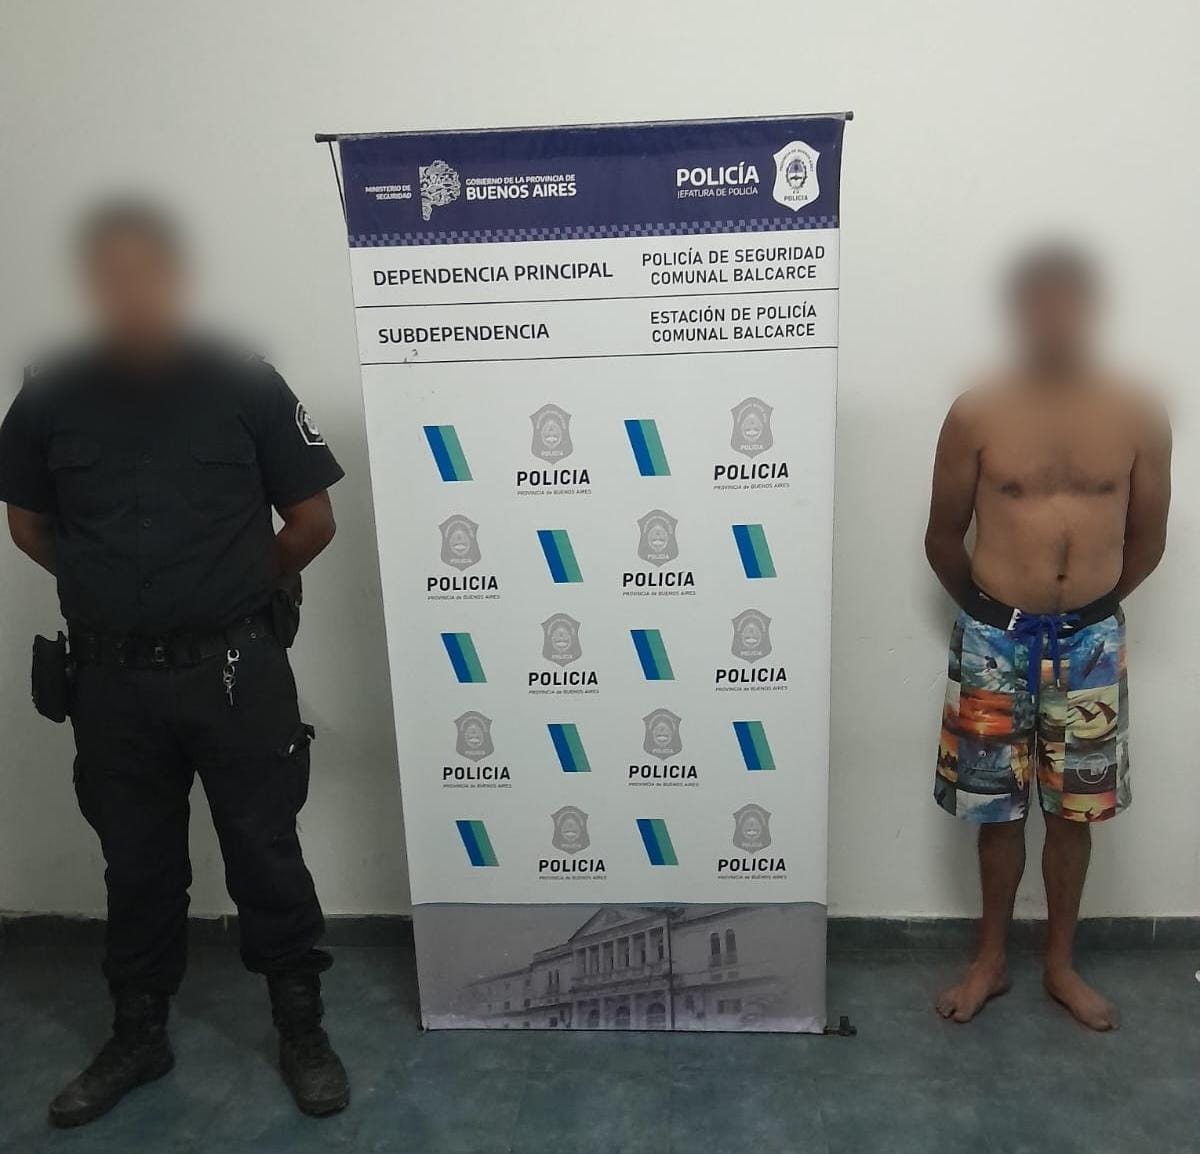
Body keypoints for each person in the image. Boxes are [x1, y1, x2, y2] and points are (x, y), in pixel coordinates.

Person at [0, 201, 350, 1125]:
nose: (129, 291)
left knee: (266, 852)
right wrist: (112, 592)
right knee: (137, 865)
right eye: (109, 275)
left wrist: (229, 587)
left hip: (235, 670)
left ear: (174, 278)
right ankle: (138, 1035)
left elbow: (311, 522)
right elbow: (28, 526)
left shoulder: (244, 385)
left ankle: (302, 1029)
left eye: (143, 272)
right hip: (110, 683)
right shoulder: (50, 398)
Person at [924, 244, 1171, 1031]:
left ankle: (1061, 965)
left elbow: (1147, 540)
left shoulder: (1138, 414)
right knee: (995, 811)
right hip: (993, 642)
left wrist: (1084, 613)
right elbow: (941, 537)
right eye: (1040, 302)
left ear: (1090, 311)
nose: (1054, 318)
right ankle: (990, 961)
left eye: (1068, 302)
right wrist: (998, 616)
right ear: (1020, 313)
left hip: (1089, 644)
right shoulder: (977, 414)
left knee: (1074, 812)